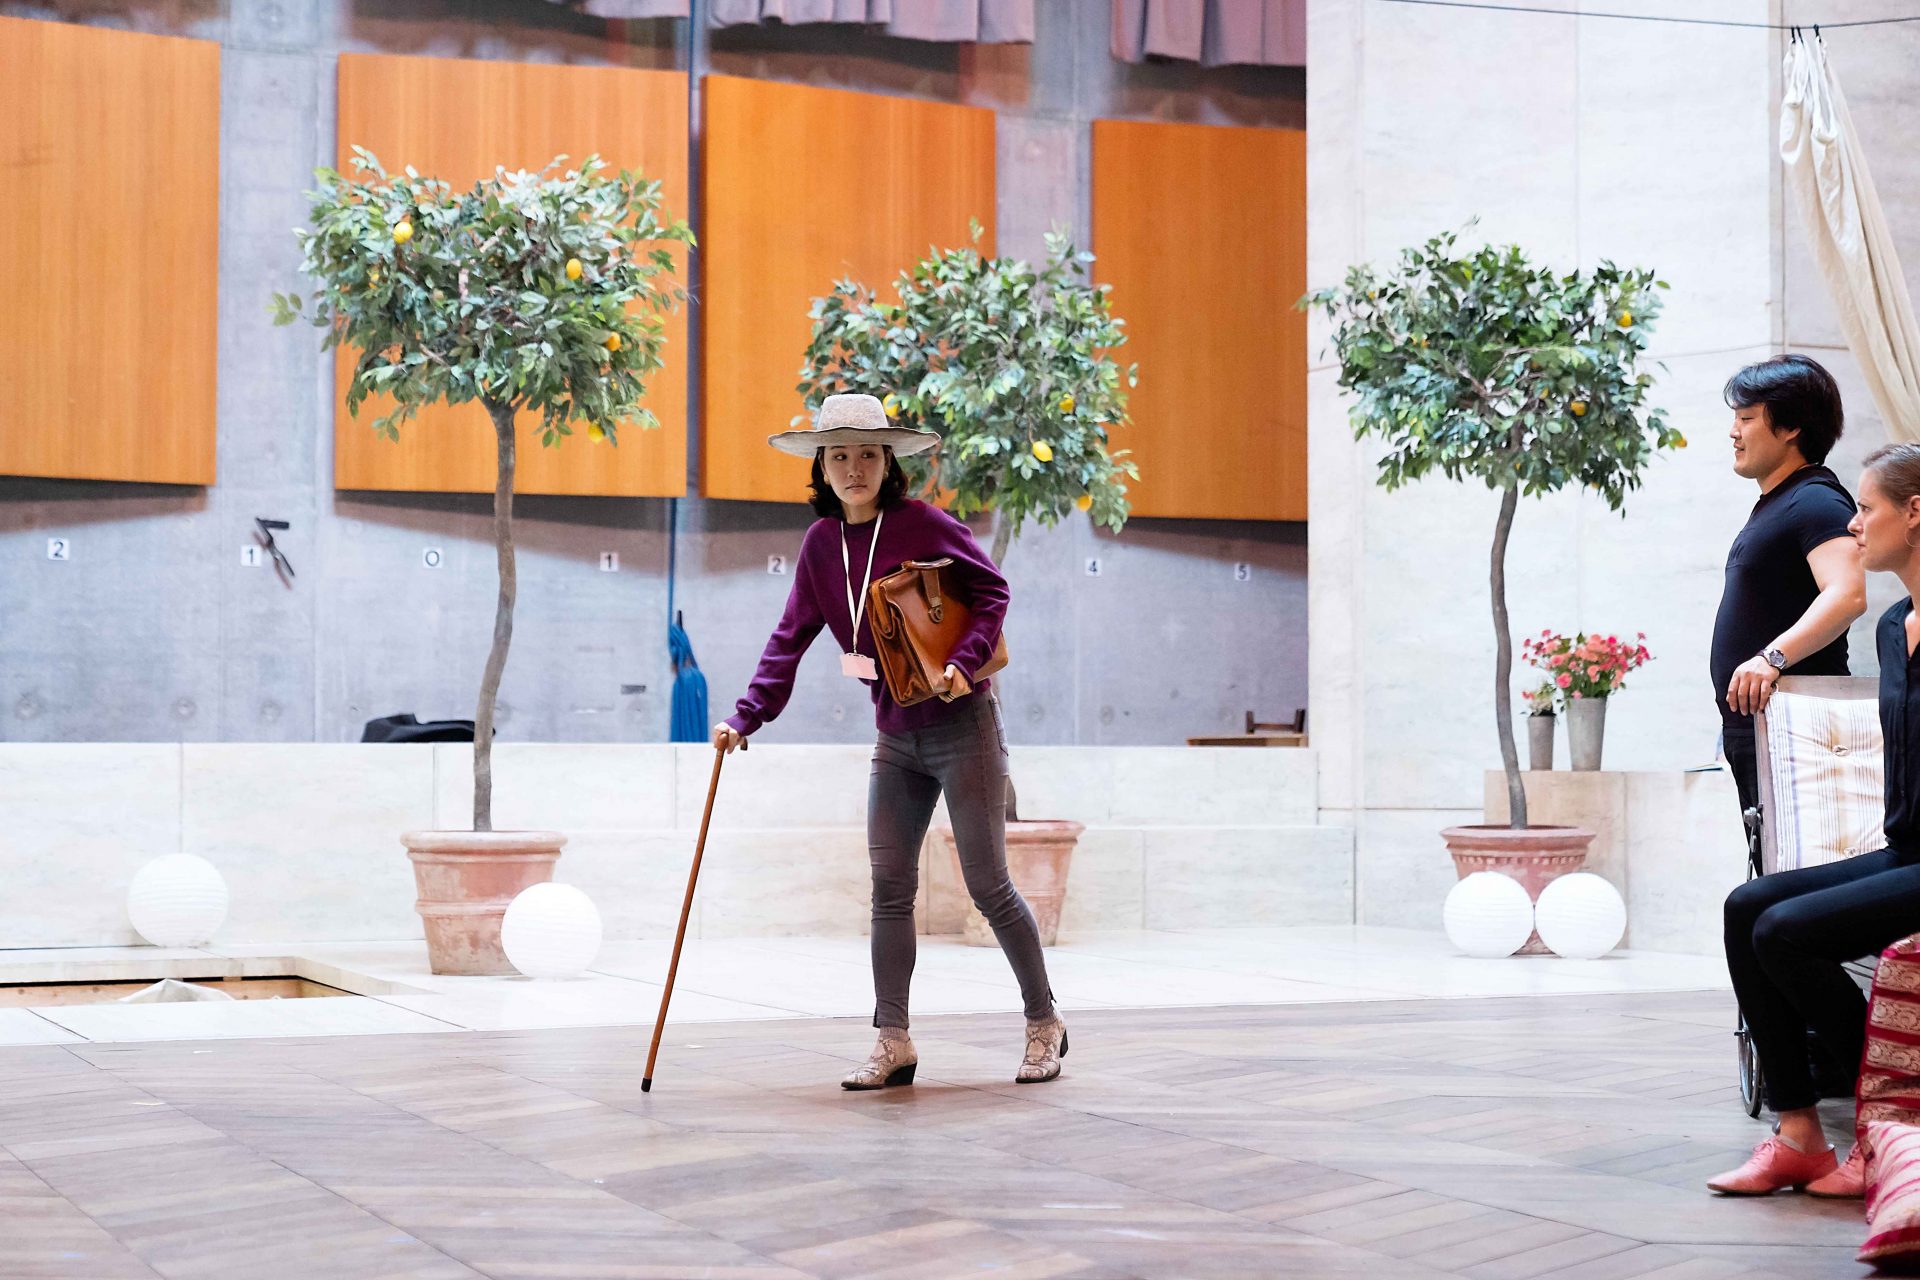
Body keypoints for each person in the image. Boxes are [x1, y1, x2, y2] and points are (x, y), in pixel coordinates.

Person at [714, 392, 1067, 1090]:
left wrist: (963, 661)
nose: (854, 469)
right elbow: (790, 637)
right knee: (889, 888)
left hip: (963, 727)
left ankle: (1043, 1021)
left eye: (868, 456)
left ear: (887, 463)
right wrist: (746, 717)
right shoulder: (821, 546)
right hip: (896, 736)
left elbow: (992, 592)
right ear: (822, 467)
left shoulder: (923, 523)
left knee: (988, 885)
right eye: (840, 456)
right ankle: (893, 1039)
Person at [1709, 442, 1920, 1198]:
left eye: (1866, 508)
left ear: (1915, 513)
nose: (1854, 524)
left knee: (1785, 931)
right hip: (1907, 850)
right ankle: (1799, 1134)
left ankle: (1893, 1120)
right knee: (1748, 908)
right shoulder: (1895, 627)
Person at [1711, 355, 1865, 847]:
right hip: (1762, 725)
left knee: (1800, 875)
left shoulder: (1816, 499)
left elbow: (1847, 594)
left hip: (1797, 727)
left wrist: (1770, 658)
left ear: (1792, 427)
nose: (1734, 432)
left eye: (1747, 418)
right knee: (1771, 866)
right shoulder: (1780, 503)